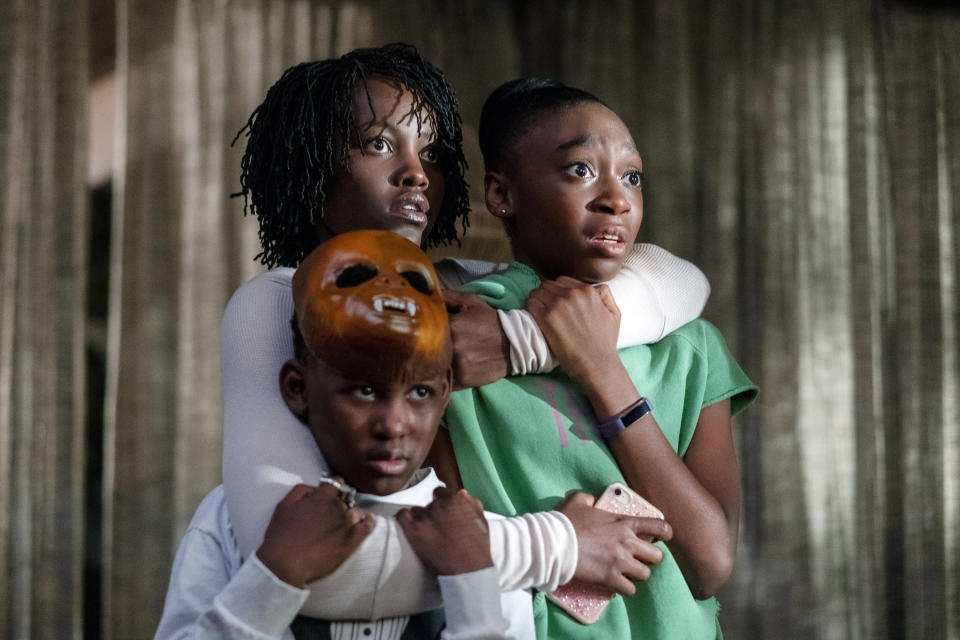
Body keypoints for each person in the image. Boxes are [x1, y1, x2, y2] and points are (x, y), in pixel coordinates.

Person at [222, 43, 713, 618]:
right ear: (307, 164)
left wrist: (521, 341)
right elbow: (305, 569)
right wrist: (561, 544)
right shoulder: (272, 302)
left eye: (430, 152)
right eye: (380, 144)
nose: (415, 173)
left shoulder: (457, 288)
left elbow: (681, 281)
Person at [155, 230, 672, 639]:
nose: (393, 424)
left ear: (446, 391)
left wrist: (471, 578)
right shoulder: (230, 523)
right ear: (297, 388)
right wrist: (274, 573)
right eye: (361, 391)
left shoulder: (475, 535)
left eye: (420, 394)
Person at [432, 78, 759, 638]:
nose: (617, 197)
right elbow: (444, 543)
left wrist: (602, 369)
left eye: (632, 176)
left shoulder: (692, 347)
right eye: (580, 169)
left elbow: (709, 564)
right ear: (501, 194)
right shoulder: (461, 328)